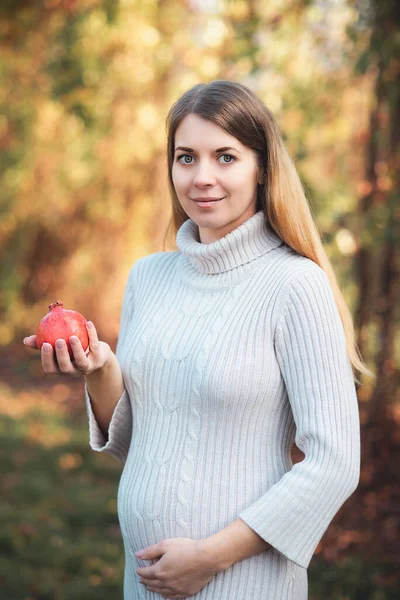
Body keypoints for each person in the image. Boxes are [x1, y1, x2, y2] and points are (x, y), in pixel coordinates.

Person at [24, 80, 373, 600]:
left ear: (261, 169)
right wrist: (99, 368)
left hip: (242, 582)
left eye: (225, 157)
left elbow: (335, 462)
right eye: (186, 157)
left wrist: (210, 558)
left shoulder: (294, 285)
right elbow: (141, 443)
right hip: (146, 582)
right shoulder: (149, 278)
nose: (202, 177)